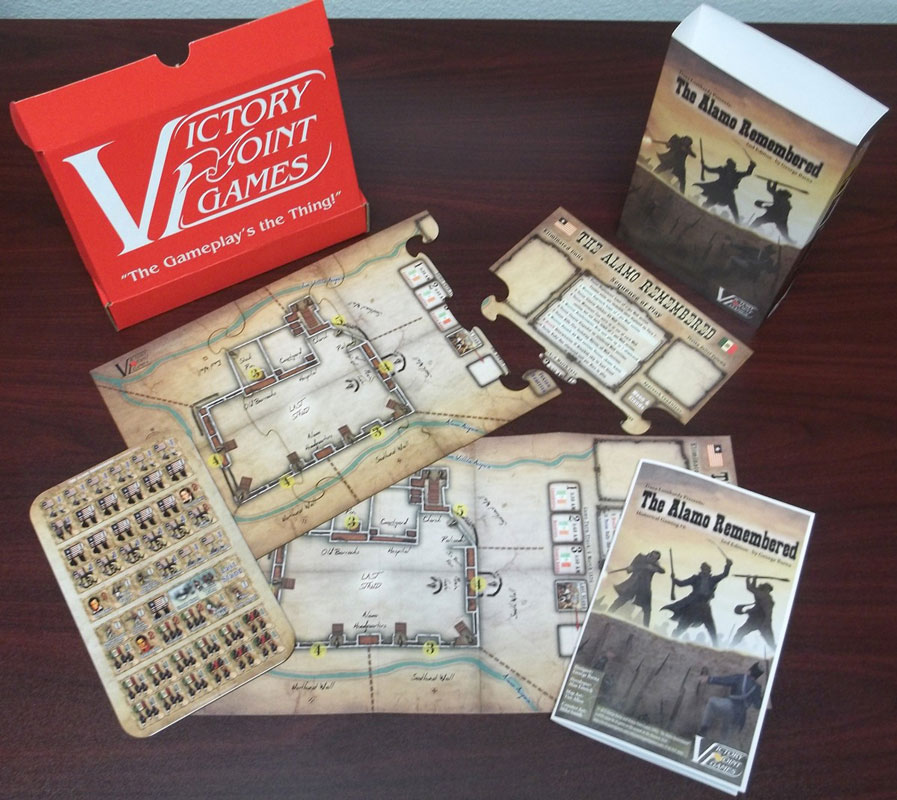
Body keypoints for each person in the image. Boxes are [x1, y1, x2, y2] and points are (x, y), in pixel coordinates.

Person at [662, 557, 732, 645]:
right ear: (701, 569)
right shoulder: (695, 578)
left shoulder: (713, 580)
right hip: (693, 604)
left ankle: (716, 645)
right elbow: (681, 584)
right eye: (703, 568)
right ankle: (672, 639)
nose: (705, 570)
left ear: (709, 570)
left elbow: (724, 574)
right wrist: (674, 579)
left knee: (710, 626)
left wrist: (728, 565)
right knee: (684, 624)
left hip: (705, 605)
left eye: (707, 569)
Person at [698, 662, 764, 741]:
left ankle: (704, 729)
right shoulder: (757, 688)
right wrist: (763, 697)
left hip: (729, 706)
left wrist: (708, 679)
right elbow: (758, 706)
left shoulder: (741, 678)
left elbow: (724, 680)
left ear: (749, 671)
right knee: (725, 739)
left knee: (712, 702)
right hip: (739, 716)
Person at [608, 550, 666, 626]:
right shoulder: (640, 557)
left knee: (647, 609)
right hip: (633, 584)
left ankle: (646, 627)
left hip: (644, 587)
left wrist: (655, 566)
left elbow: (662, 571)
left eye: (654, 559)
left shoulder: (655, 565)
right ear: (649, 554)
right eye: (651, 556)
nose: (652, 559)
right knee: (621, 600)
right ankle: (608, 613)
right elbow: (630, 569)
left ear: (656, 560)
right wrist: (636, 567)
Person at [695, 156, 756, 222]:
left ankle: (737, 221)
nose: (733, 167)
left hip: (720, 192)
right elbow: (748, 173)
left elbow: (708, 170)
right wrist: (752, 166)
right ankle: (737, 221)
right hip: (724, 193)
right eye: (733, 165)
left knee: (731, 207)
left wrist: (704, 165)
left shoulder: (725, 171)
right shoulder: (734, 174)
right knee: (733, 208)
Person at [731, 576, 776, 648]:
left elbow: (751, 588)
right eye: (766, 588)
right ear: (764, 588)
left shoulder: (764, 596)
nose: (767, 590)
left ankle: (730, 646)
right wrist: (753, 579)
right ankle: (730, 646)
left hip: (760, 620)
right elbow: (752, 589)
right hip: (757, 619)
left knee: (770, 641)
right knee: (740, 632)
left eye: (768, 589)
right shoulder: (763, 595)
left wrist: (750, 579)